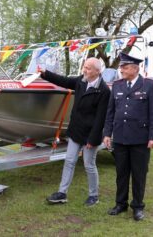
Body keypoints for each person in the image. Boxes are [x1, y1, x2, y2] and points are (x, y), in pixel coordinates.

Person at [38, 58, 111, 206]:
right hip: (76, 130)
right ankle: (62, 193)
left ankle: (93, 196)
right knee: (69, 161)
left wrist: (93, 139)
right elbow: (63, 81)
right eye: (84, 67)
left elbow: (101, 118)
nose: (85, 70)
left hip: (91, 134)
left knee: (89, 165)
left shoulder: (104, 91)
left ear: (98, 71)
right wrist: (45, 74)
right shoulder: (81, 81)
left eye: (89, 68)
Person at [103, 52, 153, 221]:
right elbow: (110, 111)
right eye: (121, 67)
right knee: (121, 173)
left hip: (140, 138)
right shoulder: (117, 85)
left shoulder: (149, 85)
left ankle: (137, 206)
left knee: (139, 174)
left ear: (135, 69)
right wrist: (107, 133)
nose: (121, 70)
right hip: (120, 137)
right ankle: (120, 204)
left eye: (124, 67)